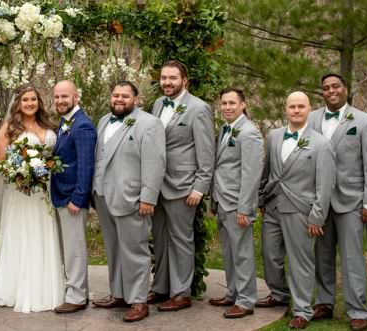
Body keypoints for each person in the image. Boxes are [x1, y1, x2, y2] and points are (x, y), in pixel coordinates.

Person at [308, 73, 367, 330]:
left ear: (345, 89)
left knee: (352, 258)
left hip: (351, 201)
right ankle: (324, 302)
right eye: (326, 87)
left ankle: (358, 311)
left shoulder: (364, 121)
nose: (331, 91)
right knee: (322, 255)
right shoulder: (312, 118)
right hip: (319, 201)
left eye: (335, 86)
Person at [259, 91, 335, 329]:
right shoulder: (273, 136)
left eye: (301, 106)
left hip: (300, 210)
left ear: (309, 109)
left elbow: (325, 185)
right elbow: (267, 171)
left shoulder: (322, 143)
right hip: (272, 207)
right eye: (292, 106)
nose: (296, 110)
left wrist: (317, 216)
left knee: (299, 261)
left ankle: (303, 309)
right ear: (286, 109)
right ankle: (279, 294)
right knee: (270, 254)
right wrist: (261, 200)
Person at [91, 81, 166, 322]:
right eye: (115, 95)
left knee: (135, 251)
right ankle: (119, 294)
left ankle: (138, 301)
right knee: (113, 250)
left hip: (133, 198)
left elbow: (155, 163)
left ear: (136, 98)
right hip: (103, 195)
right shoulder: (104, 120)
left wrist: (148, 197)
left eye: (124, 95)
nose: (119, 99)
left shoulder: (149, 123)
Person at [148, 60, 215, 310]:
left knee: (181, 239)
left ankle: (181, 293)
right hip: (157, 185)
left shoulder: (199, 108)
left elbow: (207, 151)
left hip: (183, 186)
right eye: (164, 78)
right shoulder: (157, 104)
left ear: (184, 80)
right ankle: (161, 288)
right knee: (160, 239)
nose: (167, 82)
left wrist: (200, 187)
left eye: (172, 78)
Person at [0, 84, 65, 313]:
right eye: (25, 100)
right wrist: (21, 173)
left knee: (44, 232)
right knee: (22, 233)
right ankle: (16, 289)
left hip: (46, 189)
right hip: (21, 189)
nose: (30, 103)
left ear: (39, 102)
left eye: (33, 99)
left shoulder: (49, 125)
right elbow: (1, 162)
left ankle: (47, 289)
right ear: (18, 103)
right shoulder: (9, 128)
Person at [208, 88, 262, 318]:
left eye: (232, 103)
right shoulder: (224, 129)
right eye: (224, 103)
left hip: (237, 204)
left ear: (243, 105)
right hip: (222, 200)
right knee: (229, 253)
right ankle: (233, 292)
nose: (227, 107)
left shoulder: (249, 133)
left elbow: (251, 174)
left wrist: (245, 208)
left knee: (242, 253)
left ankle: (246, 300)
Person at [50, 80, 97, 314]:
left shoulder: (83, 125)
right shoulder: (66, 122)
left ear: (76, 97)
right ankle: (79, 292)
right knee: (68, 247)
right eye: (57, 97)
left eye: (65, 97)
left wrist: (78, 198)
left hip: (72, 198)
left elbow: (86, 166)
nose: (60, 101)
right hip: (61, 194)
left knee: (74, 248)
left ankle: (77, 296)